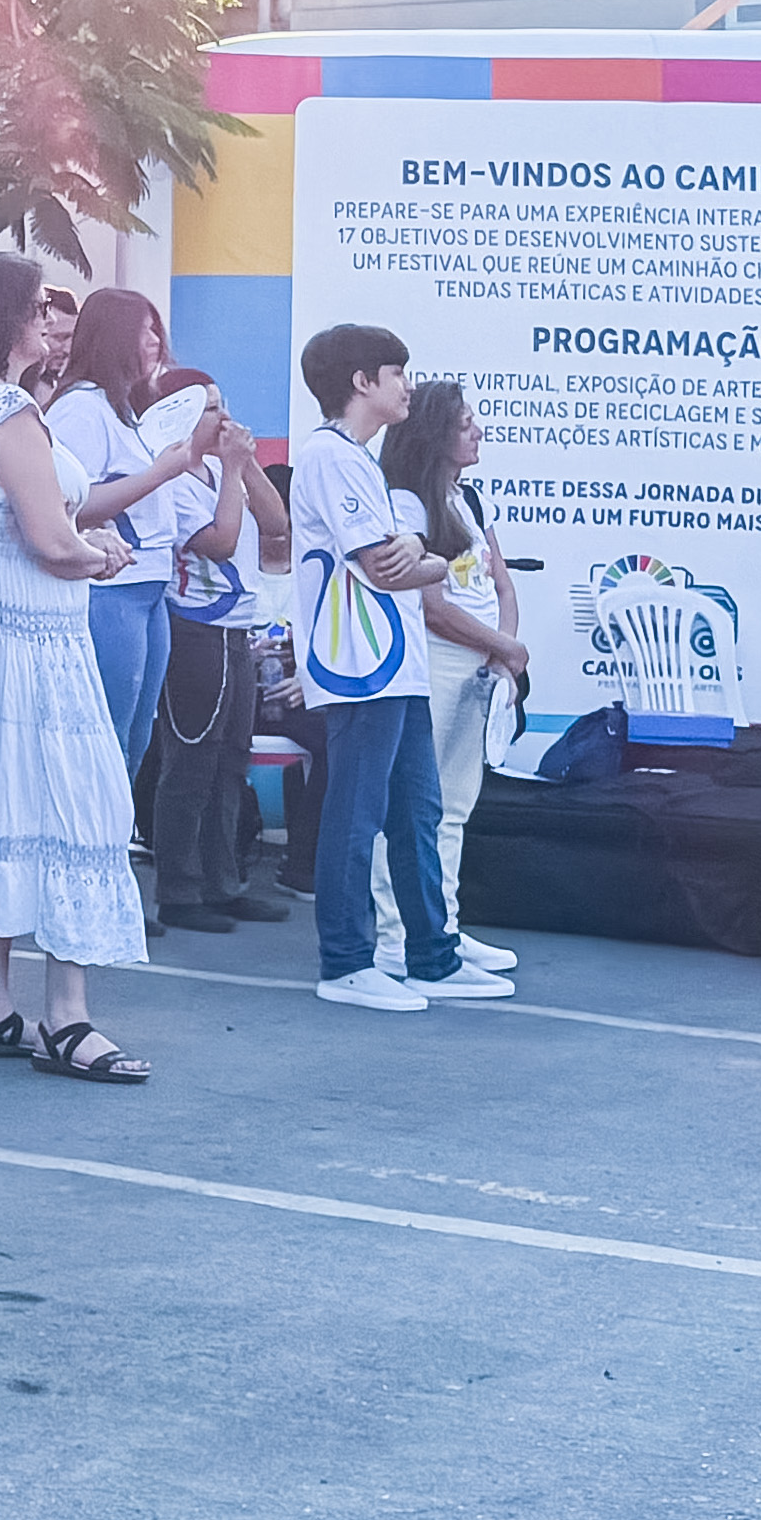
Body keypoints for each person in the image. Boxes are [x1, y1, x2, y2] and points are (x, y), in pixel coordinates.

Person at [0, 255, 157, 1079]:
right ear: (5, 318)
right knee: (72, 807)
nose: (50, 320)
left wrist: (79, 543)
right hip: (32, 639)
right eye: (38, 306)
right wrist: (100, 553)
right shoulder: (7, 409)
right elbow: (50, 541)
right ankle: (68, 1016)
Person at [290, 323, 499, 1013]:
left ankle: (431, 955)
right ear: (362, 382)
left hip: (396, 663)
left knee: (418, 811)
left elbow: (413, 555)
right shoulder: (330, 457)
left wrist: (420, 552)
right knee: (357, 813)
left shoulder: (360, 460)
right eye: (396, 373)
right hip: (360, 664)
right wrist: (427, 557)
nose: (407, 386)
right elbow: (387, 566)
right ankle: (345, 960)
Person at [375, 379, 528, 976]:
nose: (478, 432)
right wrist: (502, 647)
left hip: (481, 665)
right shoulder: (408, 503)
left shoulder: (472, 500)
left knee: (456, 807)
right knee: (415, 806)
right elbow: (433, 608)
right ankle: (394, 935)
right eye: (465, 424)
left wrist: (502, 654)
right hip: (437, 663)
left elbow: (501, 585)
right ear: (435, 435)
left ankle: (445, 927)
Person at [134, 366, 277, 935]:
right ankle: (178, 887)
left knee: (231, 760)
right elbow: (218, 543)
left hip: (236, 630)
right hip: (195, 627)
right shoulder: (171, 477)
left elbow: (277, 522)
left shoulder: (221, 469)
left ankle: (223, 882)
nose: (225, 417)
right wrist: (231, 472)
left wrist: (244, 465)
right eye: (212, 408)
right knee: (191, 759)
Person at [44, 291, 201, 805]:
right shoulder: (82, 409)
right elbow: (71, 506)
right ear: (112, 337)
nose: (155, 341)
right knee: (105, 734)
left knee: (135, 736)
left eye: (157, 329)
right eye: (143, 330)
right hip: (110, 589)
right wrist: (160, 473)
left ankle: (113, 836)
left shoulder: (125, 408)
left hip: (148, 587)